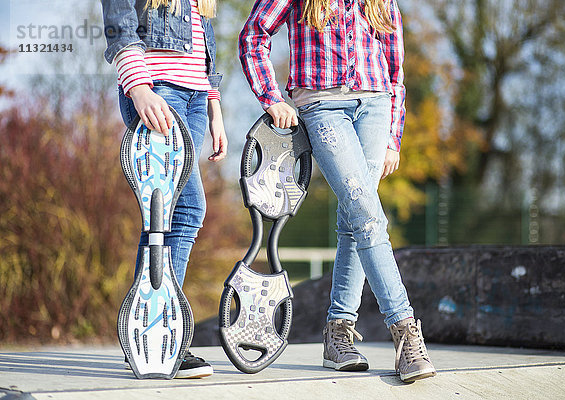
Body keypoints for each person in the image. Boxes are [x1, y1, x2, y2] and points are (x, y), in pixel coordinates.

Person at [239, 0, 435, 382]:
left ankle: (338, 333)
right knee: (366, 213)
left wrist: (394, 137)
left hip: (376, 105)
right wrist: (272, 98)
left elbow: (396, 69)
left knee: (355, 219)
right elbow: (253, 35)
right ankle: (405, 331)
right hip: (322, 104)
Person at [101, 0, 227, 378]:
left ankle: (146, 342)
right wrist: (137, 86)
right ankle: (159, 339)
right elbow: (119, 13)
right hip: (157, 90)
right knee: (187, 209)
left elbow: (202, 38)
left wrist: (214, 107)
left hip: (194, 97)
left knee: (165, 216)